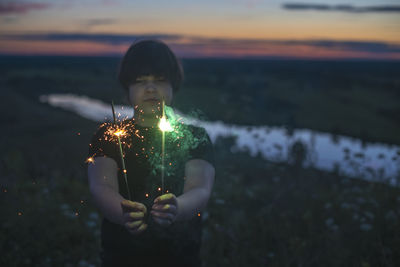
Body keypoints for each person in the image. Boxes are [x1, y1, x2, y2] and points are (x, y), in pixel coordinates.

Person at [87, 39, 215, 267]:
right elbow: (101, 186)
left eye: (160, 80)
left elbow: (200, 189)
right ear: (126, 89)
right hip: (120, 257)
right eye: (140, 81)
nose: (150, 88)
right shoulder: (108, 136)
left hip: (181, 257)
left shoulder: (196, 137)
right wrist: (122, 213)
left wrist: (178, 208)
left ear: (174, 85)